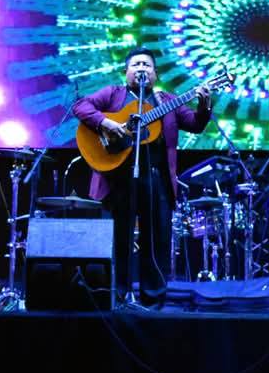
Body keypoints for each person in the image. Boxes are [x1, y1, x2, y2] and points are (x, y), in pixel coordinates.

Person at [73, 47, 212, 308]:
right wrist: (107, 123)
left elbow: (195, 124)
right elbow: (80, 106)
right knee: (119, 239)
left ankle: (153, 300)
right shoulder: (113, 94)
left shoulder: (166, 101)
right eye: (136, 64)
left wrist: (204, 105)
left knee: (156, 240)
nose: (141, 69)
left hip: (156, 178)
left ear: (155, 74)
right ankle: (118, 296)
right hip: (117, 178)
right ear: (126, 71)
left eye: (147, 65)